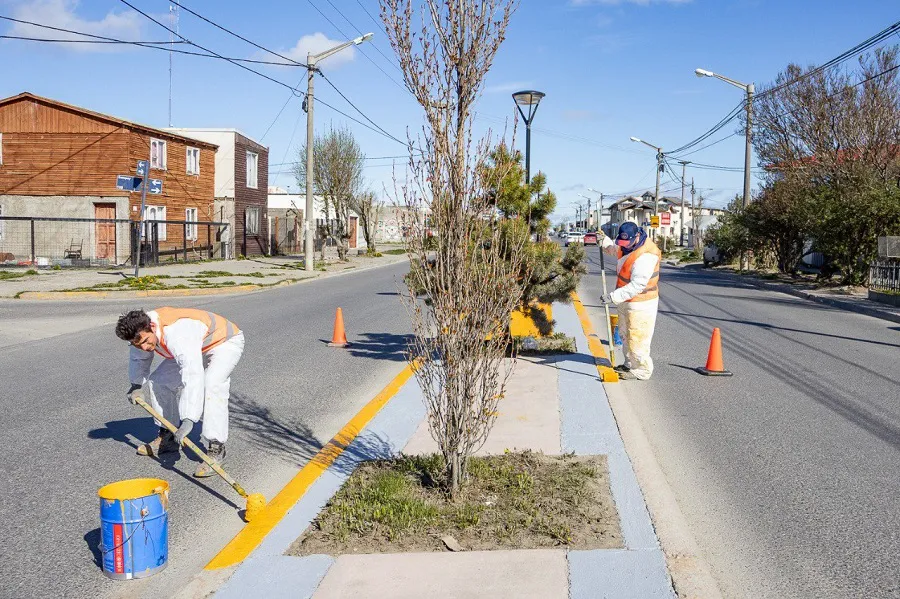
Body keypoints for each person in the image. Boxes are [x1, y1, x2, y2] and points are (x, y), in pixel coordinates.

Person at [115, 308, 245, 477]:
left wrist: (189, 418)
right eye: (138, 344)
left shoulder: (177, 332)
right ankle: (168, 435)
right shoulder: (139, 331)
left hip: (224, 342)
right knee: (159, 381)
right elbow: (138, 358)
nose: (145, 348)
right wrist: (136, 385)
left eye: (147, 341)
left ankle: (216, 447)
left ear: (152, 327)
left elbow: (192, 374)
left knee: (212, 384)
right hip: (196, 346)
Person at [598, 222, 661, 380]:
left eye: (627, 243)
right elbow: (614, 248)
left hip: (641, 302)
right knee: (625, 334)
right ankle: (629, 364)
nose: (623, 246)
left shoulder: (646, 255)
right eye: (622, 242)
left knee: (637, 337)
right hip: (625, 299)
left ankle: (641, 370)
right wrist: (604, 240)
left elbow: (637, 285)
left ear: (637, 236)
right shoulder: (626, 245)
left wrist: (613, 297)